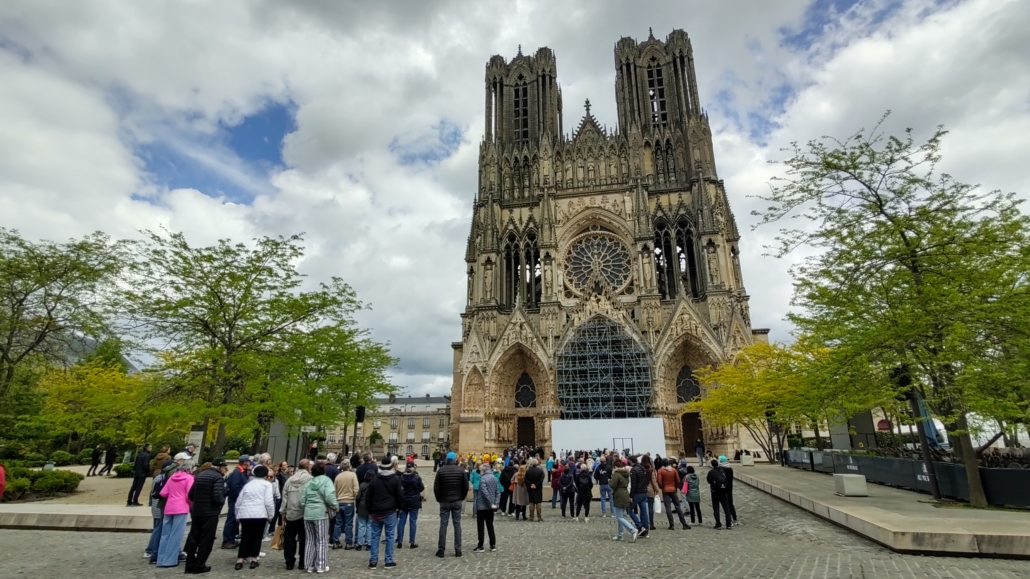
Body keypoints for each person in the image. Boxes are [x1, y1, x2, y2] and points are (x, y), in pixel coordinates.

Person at [182, 457, 227, 574]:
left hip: (197, 511)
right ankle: (200, 565)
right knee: (206, 540)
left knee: (194, 538)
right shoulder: (218, 477)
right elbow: (217, 497)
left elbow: (191, 494)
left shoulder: (200, 475)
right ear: (221, 467)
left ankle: (189, 565)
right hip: (210, 512)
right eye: (225, 468)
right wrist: (222, 499)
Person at [234, 464, 275, 570]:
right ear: (266, 475)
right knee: (257, 537)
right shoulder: (267, 485)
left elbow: (239, 501)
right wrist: (271, 515)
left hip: (245, 513)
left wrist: (237, 514)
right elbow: (268, 502)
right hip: (260, 514)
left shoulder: (248, 485)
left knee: (245, 536)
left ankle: (240, 560)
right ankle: (254, 559)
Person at [365, 455, 403, 569]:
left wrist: (370, 510)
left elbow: (368, 497)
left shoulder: (374, 480)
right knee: (390, 536)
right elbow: (399, 495)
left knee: (375, 536)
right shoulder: (395, 479)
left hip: (376, 512)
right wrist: (399, 507)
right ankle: (388, 560)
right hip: (390, 510)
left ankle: (373, 561)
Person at [300, 461, 336, 573]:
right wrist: (335, 505)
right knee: (321, 540)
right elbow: (329, 496)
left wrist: (306, 508)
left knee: (310, 540)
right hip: (321, 513)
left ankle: (309, 565)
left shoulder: (309, 483)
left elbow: (302, 500)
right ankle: (321, 565)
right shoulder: (326, 481)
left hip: (308, 514)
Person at [156, 461, 194, 568]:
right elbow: (189, 495)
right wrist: (191, 504)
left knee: (165, 534)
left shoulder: (172, 477)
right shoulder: (189, 478)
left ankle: (161, 559)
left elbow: (163, 493)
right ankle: (170, 560)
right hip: (181, 507)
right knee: (176, 534)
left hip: (169, 507)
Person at [433, 451, 469, 558]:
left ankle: (441, 550)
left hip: (444, 501)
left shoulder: (441, 470)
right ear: (454, 459)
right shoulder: (461, 470)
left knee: (443, 525)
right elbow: (465, 486)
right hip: (457, 500)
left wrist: (439, 499)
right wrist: (461, 497)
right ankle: (458, 550)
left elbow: (436, 487)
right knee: (457, 525)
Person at [281, 459, 312, 571]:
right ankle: (302, 562)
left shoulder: (290, 480)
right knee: (305, 539)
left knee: (289, 539)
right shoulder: (310, 480)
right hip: (304, 513)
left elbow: (284, 498)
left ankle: (289, 562)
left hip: (291, 512)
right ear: (308, 467)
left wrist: (283, 512)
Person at [144, 459, 173, 563]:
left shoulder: (158, 477)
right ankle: (150, 549)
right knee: (158, 528)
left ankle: (152, 549)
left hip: (155, 505)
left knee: (157, 527)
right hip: (159, 506)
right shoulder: (162, 478)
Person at [221, 455, 250, 549]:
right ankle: (227, 540)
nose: (249, 463)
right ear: (245, 462)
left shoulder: (240, 472)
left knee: (235, 520)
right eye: (248, 461)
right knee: (231, 519)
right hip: (235, 500)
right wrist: (240, 497)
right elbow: (234, 487)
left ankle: (231, 538)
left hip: (236, 499)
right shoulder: (237, 472)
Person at [331, 460, 359, 550]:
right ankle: (348, 542)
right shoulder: (352, 475)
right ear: (349, 466)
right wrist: (355, 497)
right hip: (349, 501)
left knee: (338, 523)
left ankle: (336, 541)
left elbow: (334, 490)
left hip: (339, 501)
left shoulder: (338, 477)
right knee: (348, 523)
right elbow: (356, 488)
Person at [656, 458, 690, 530]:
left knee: (668, 507)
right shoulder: (673, 470)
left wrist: (661, 487)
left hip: (665, 490)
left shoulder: (660, 471)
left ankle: (671, 525)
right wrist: (675, 486)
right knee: (678, 506)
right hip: (673, 489)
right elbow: (678, 480)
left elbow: (659, 481)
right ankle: (684, 523)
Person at [473, 462, 499, 553]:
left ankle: (481, 545)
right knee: (490, 524)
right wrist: (495, 504)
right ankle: (493, 544)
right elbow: (497, 492)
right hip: (491, 506)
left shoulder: (483, 479)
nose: (480, 472)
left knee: (481, 526)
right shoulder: (494, 478)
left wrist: (489, 503)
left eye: (480, 471)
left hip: (482, 506)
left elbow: (484, 493)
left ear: (483, 470)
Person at [397, 461, 424, 549]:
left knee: (401, 521)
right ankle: (412, 542)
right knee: (413, 522)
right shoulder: (416, 477)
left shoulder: (401, 477)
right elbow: (421, 487)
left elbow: (398, 489)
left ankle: (400, 541)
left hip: (404, 501)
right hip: (414, 501)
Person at [609, 459, 637, 542]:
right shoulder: (626, 474)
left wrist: (609, 482)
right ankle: (620, 535)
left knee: (619, 517)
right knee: (620, 516)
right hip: (625, 493)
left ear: (615, 466)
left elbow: (613, 485)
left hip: (619, 495)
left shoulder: (616, 474)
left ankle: (632, 530)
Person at [707, 459, 733, 529]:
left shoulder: (711, 472)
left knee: (716, 508)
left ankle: (718, 523)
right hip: (723, 491)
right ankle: (728, 523)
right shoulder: (722, 471)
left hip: (715, 491)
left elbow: (709, 480)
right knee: (726, 508)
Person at [627, 456, 650, 537]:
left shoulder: (634, 470)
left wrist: (631, 496)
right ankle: (646, 529)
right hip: (644, 492)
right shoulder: (643, 468)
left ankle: (640, 526)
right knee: (644, 511)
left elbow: (633, 484)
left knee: (629, 509)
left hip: (637, 492)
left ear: (631, 461)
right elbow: (647, 480)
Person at [354, 470, 373, 552]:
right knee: (369, 526)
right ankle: (369, 543)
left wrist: (357, 507)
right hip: (371, 507)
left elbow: (358, 497)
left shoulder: (362, 485)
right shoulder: (374, 485)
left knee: (361, 526)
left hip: (362, 506)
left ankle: (359, 544)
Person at [718, 455, 738, 526]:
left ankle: (730, 519)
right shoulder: (730, 468)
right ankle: (735, 518)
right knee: (730, 503)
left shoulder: (721, 469)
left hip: (724, 488)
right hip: (730, 488)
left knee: (726, 505)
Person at [525, 457, 545, 522]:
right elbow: (541, 480)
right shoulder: (540, 471)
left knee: (531, 502)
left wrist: (531, 484)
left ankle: (531, 517)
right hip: (538, 489)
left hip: (530, 489)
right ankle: (539, 517)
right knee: (538, 503)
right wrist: (536, 485)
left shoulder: (528, 471)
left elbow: (526, 480)